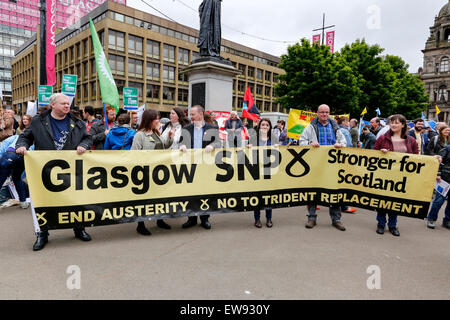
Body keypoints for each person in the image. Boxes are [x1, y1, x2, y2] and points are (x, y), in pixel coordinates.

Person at [16, 93, 93, 251]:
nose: (67, 106)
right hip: (45, 170)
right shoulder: (38, 121)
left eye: (68, 103)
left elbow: (88, 138)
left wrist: (84, 145)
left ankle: (79, 229)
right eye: (63, 103)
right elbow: (25, 137)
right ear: (53, 105)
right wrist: (22, 145)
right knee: (44, 201)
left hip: (71, 170)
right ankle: (42, 234)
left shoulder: (76, 122)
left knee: (74, 200)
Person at [299, 104, 347, 231]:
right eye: (322, 112)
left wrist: (339, 145)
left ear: (329, 113)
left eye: (326, 112)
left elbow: (344, 143)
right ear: (317, 113)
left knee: (334, 191)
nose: (324, 114)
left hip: (332, 166)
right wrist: (310, 144)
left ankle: (336, 219)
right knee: (313, 191)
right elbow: (301, 142)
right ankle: (311, 218)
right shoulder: (310, 127)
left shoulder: (336, 127)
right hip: (316, 165)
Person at [373, 114, 418, 237]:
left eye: (396, 123)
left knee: (395, 202)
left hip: (401, 177)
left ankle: (393, 225)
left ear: (403, 125)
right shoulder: (382, 138)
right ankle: (381, 224)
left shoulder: (411, 140)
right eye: (391, 122)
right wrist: (381, 154)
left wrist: (435, 159)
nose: (393, 125)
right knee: (382, 201)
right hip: (385, 176)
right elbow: (371, 155)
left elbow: (417, 158)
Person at [131, 110, 173, 235]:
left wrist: (170, 138)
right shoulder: (140, 135)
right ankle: (141, 224)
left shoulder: (156, 133)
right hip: (145, 172)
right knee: (144, 200)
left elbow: (164, 146)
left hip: (158, 172)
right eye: (156, 119)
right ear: (150, 120)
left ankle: (159, 220)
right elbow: (134, 153)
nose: (158, 121)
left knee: (159, 197)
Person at [180, 105, 221, 229]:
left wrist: (212, 145)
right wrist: (182, 146)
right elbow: (182, 142)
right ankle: (191, 218)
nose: (190, 117)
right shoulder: (186, 128)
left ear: (200, 114)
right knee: (191, 192)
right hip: (191, 165)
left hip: (205, 166)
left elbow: (219, 142)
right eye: (190, 114)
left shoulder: (212, 128)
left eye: (192, 114)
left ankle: (204, 218)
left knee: (205, 192)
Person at [247, 118, 279, 228]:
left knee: (268, 196)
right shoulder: (253, 139)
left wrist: (277, 148)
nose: (264, 127)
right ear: (259, 127)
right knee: (257, 195)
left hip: (269, 170)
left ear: (270, 127)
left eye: (267, 125)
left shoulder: (274, 139)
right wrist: (248, 148)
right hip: (256, 170)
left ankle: (269, 218)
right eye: (263, 125)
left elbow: (279, 155)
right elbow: (248, 154)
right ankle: (257, 219)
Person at [0, 134, 31, 209]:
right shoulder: (33, 139)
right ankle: (23, 202)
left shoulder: (16, 136)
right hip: (23, 157)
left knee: (0, 180)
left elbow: (4, 144)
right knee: (17, 178)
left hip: (10, 154)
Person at [426, 144, 450, 229]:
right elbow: (438, 161)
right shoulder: (447, 148)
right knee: (439, 201)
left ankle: (447, 220)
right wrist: (438, 173)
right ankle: (431, 218)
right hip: (444, 180)